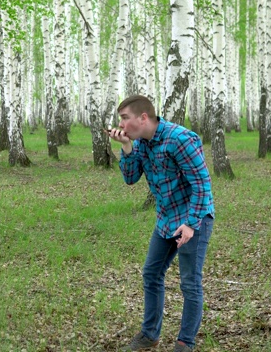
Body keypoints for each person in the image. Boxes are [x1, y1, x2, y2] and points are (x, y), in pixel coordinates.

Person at [106, 95, 215, 352]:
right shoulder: (141, 143)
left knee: (190, 282)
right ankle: (149, 335)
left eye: (124, 118)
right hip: (166, 219)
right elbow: (131, 178)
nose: (120, 123)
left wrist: (190, 224)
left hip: (193, 218)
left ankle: (184, 343)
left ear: (143, 118)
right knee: (151, 273)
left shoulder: (180, 139)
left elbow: (202, 184)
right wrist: (126, 147)